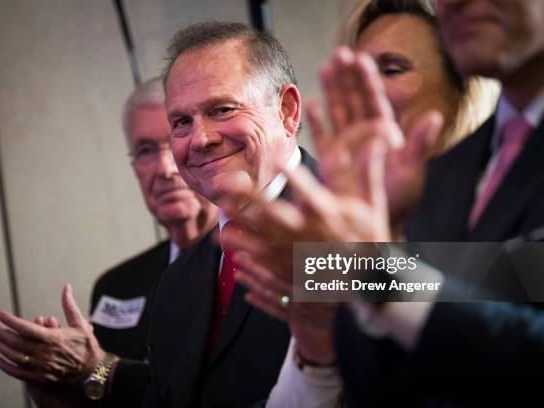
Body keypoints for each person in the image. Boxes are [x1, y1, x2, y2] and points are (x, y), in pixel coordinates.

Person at [229, 0, 544, 405]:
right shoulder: (441, 180)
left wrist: (370, 272)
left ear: (458, 91)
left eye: (391, 69)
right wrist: (321, 337)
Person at [0, 77, 217, 406]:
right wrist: (67, 391)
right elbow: (102, 381)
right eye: (146, 150)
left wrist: (98, 366)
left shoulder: (264, 261)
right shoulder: (118, 285)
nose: (164, 168)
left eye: (174, 140)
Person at [143, 22, 317, 407]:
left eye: (222, 109)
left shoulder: (363, 228)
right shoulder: (174, 285)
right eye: (181, 122)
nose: (200, 139)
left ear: (287, 112)